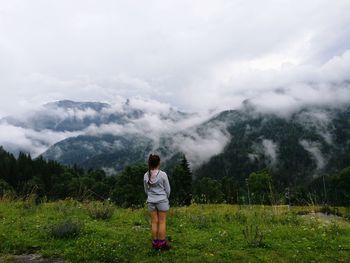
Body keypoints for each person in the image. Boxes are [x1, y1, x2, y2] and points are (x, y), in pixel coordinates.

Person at [143, 153, 171, 250]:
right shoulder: (163, 175)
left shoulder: (146, 175)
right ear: (159, 163)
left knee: (154, 222)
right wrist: (165, 198)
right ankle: (162, 243)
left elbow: (146, 190)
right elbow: (168, 190)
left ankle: (155, 243)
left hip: (151, 201)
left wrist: (150, 196)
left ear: (149, 163)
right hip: (162, 200)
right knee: (162, 222)